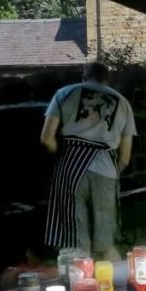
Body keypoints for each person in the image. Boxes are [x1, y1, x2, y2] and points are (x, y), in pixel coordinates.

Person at [41, 62, 136, 261]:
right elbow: (125, 158)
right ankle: (118, 289)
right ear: (107, 79)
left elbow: (46, 139)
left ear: (83, 76)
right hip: (106, 172)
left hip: (70, 170)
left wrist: (62, 155)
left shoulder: (64, 93)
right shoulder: (123, 103)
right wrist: (111, 171)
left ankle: (80, 289)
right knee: (106, 245)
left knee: (77, 245)